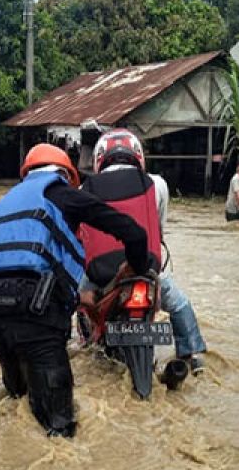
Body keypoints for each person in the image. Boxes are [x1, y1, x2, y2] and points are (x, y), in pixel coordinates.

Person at [0, 144, 149, 438]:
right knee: (58, 429)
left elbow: (10, 264)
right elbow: (134, 232)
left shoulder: (4, 204)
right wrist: (136, 268)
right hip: (32, 312)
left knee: (17, 404)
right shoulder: (62, 194)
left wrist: (77, 297)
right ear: (66, 174)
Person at [77, 128, 208, 371]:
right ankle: (192, 356)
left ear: (99, 158)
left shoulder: (86, 188)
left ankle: (88, 343)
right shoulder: (156, 183)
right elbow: (158, 228)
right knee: (179, 304)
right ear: (137, 154)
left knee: (80, 298)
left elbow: (85, 236)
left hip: (102, 274)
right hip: (145, 267)